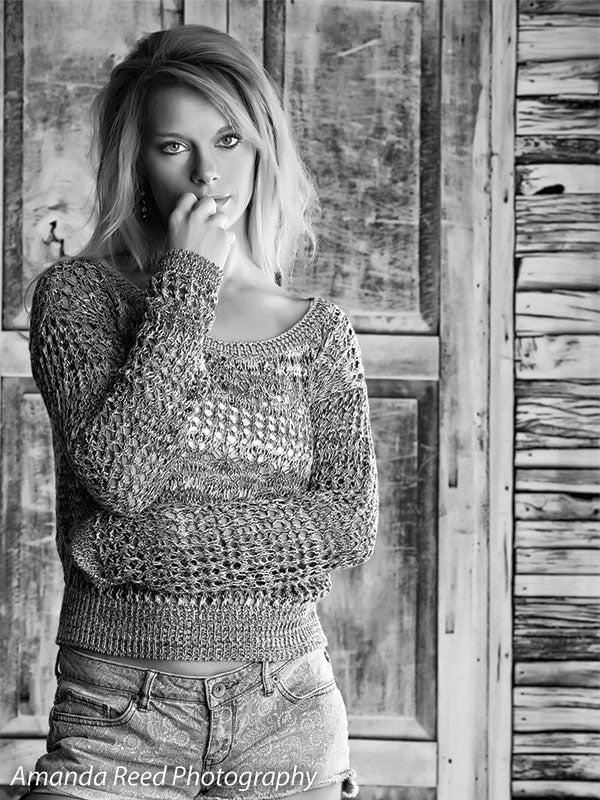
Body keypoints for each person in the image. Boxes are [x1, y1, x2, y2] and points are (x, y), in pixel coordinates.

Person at [24, 23, 379, 800]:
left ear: (261, 148)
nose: (207, 173)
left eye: (227, 139)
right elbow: (118, 479)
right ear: (138, 162)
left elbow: (349, 525)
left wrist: (139, 546)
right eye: (172, 146)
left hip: (289, 711)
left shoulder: (318, 331)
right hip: (119, 713)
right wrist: (186, 285)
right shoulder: (78, 299)